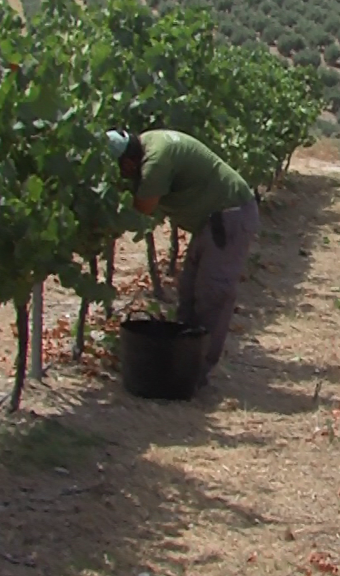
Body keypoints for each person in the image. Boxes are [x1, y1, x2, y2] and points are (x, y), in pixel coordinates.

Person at [107, 128, 261, 389]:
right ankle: (181, 361)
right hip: (212, 221)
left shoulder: (155, 162)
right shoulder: (148, 143)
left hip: (229, 217)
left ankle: (196, 372)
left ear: (129, 162)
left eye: (118, 170)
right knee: (188, 291)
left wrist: (109, 207)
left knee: (213, 294)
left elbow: (143, 208)